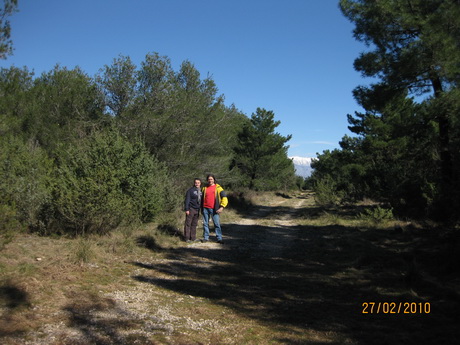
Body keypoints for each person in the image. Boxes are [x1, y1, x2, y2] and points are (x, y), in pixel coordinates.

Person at [201, 174, 228, 244]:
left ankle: (219, 238)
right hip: (205, 208)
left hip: (214, 209)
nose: (210, 180)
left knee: (216, 224)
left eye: (211, 179)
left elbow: (224, 198)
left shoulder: (218, 188)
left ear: (214, 180)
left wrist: (222, 207)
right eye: (209, 179)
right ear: (207, 180)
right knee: (205, 224)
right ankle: (206, 237)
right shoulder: (204, 188)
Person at [183, 178, 202, 243]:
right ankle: (187, 238)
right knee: (188, 224)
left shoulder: (201, 190)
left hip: (197, 209)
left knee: (194, 224)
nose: (197, 184)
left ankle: (193, 237)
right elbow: (187, 200)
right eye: (196, 182)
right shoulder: (190, 190)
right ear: (194, 183)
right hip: (191, 209)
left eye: (198, 183)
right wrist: (187, 209)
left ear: (200, 183)